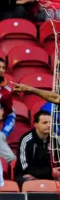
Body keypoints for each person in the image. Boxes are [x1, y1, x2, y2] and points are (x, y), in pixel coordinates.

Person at [15, 110, 60, 189]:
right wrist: (49, 172)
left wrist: (53, 173)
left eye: (50, 122)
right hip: (28, 175)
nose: (49, 125)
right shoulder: (26, 140)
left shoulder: (56, 139)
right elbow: (24, 167)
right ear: (36, 125)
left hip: (49, 175)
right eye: (45, 123)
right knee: (27, 182)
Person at [0, 58, 16, 187]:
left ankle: (18, 178)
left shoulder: (6, 92)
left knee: (11, 158)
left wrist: (4, 133)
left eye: (3, 68)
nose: (1, 70)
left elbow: (10, 114)